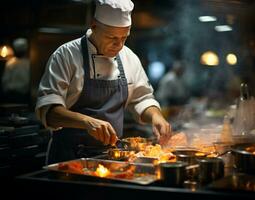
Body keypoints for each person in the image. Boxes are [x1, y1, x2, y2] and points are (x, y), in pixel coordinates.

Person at [35, 0, 171, 164]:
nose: (119, 45)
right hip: (68, 158)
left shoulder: (129, 57)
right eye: (111, 37)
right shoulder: (66, 55)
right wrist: (87, 122)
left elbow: (142, 98)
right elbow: (49, 112)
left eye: (124, 38)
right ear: (93, 25)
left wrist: (156, 116)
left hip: (112, 158)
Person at [1, 38, 30, 103]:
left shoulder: (28, 63)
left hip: (23, 95)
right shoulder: (11, 63)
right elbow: (5, 81)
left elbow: (5, 80)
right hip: (12, 95)